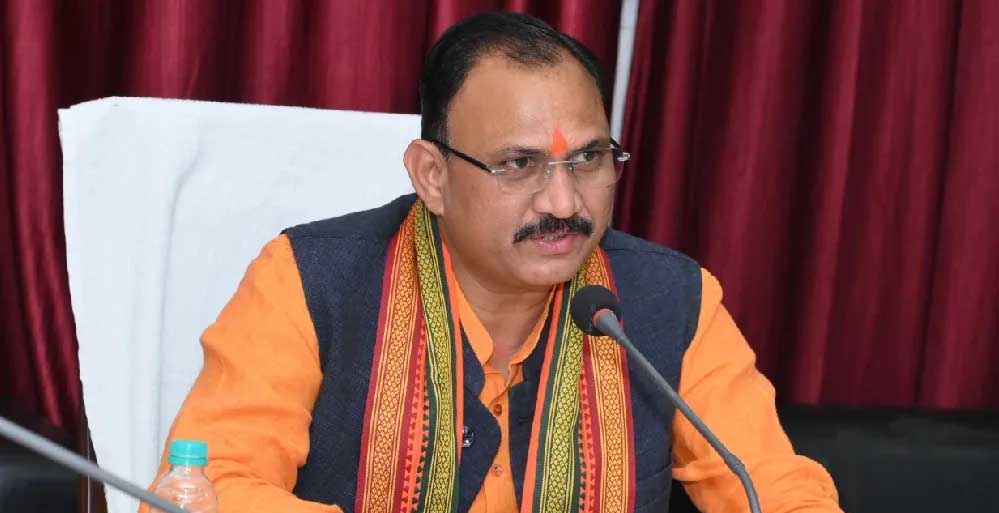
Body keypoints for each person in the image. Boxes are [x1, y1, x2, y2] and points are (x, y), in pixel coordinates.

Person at [143, 12, 842, 513]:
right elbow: (205, 488)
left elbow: (775, 488)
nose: (563, 201)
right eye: (518, 164)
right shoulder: (308, 281)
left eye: (589, 158)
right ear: (432, 176)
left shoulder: (670, 299)